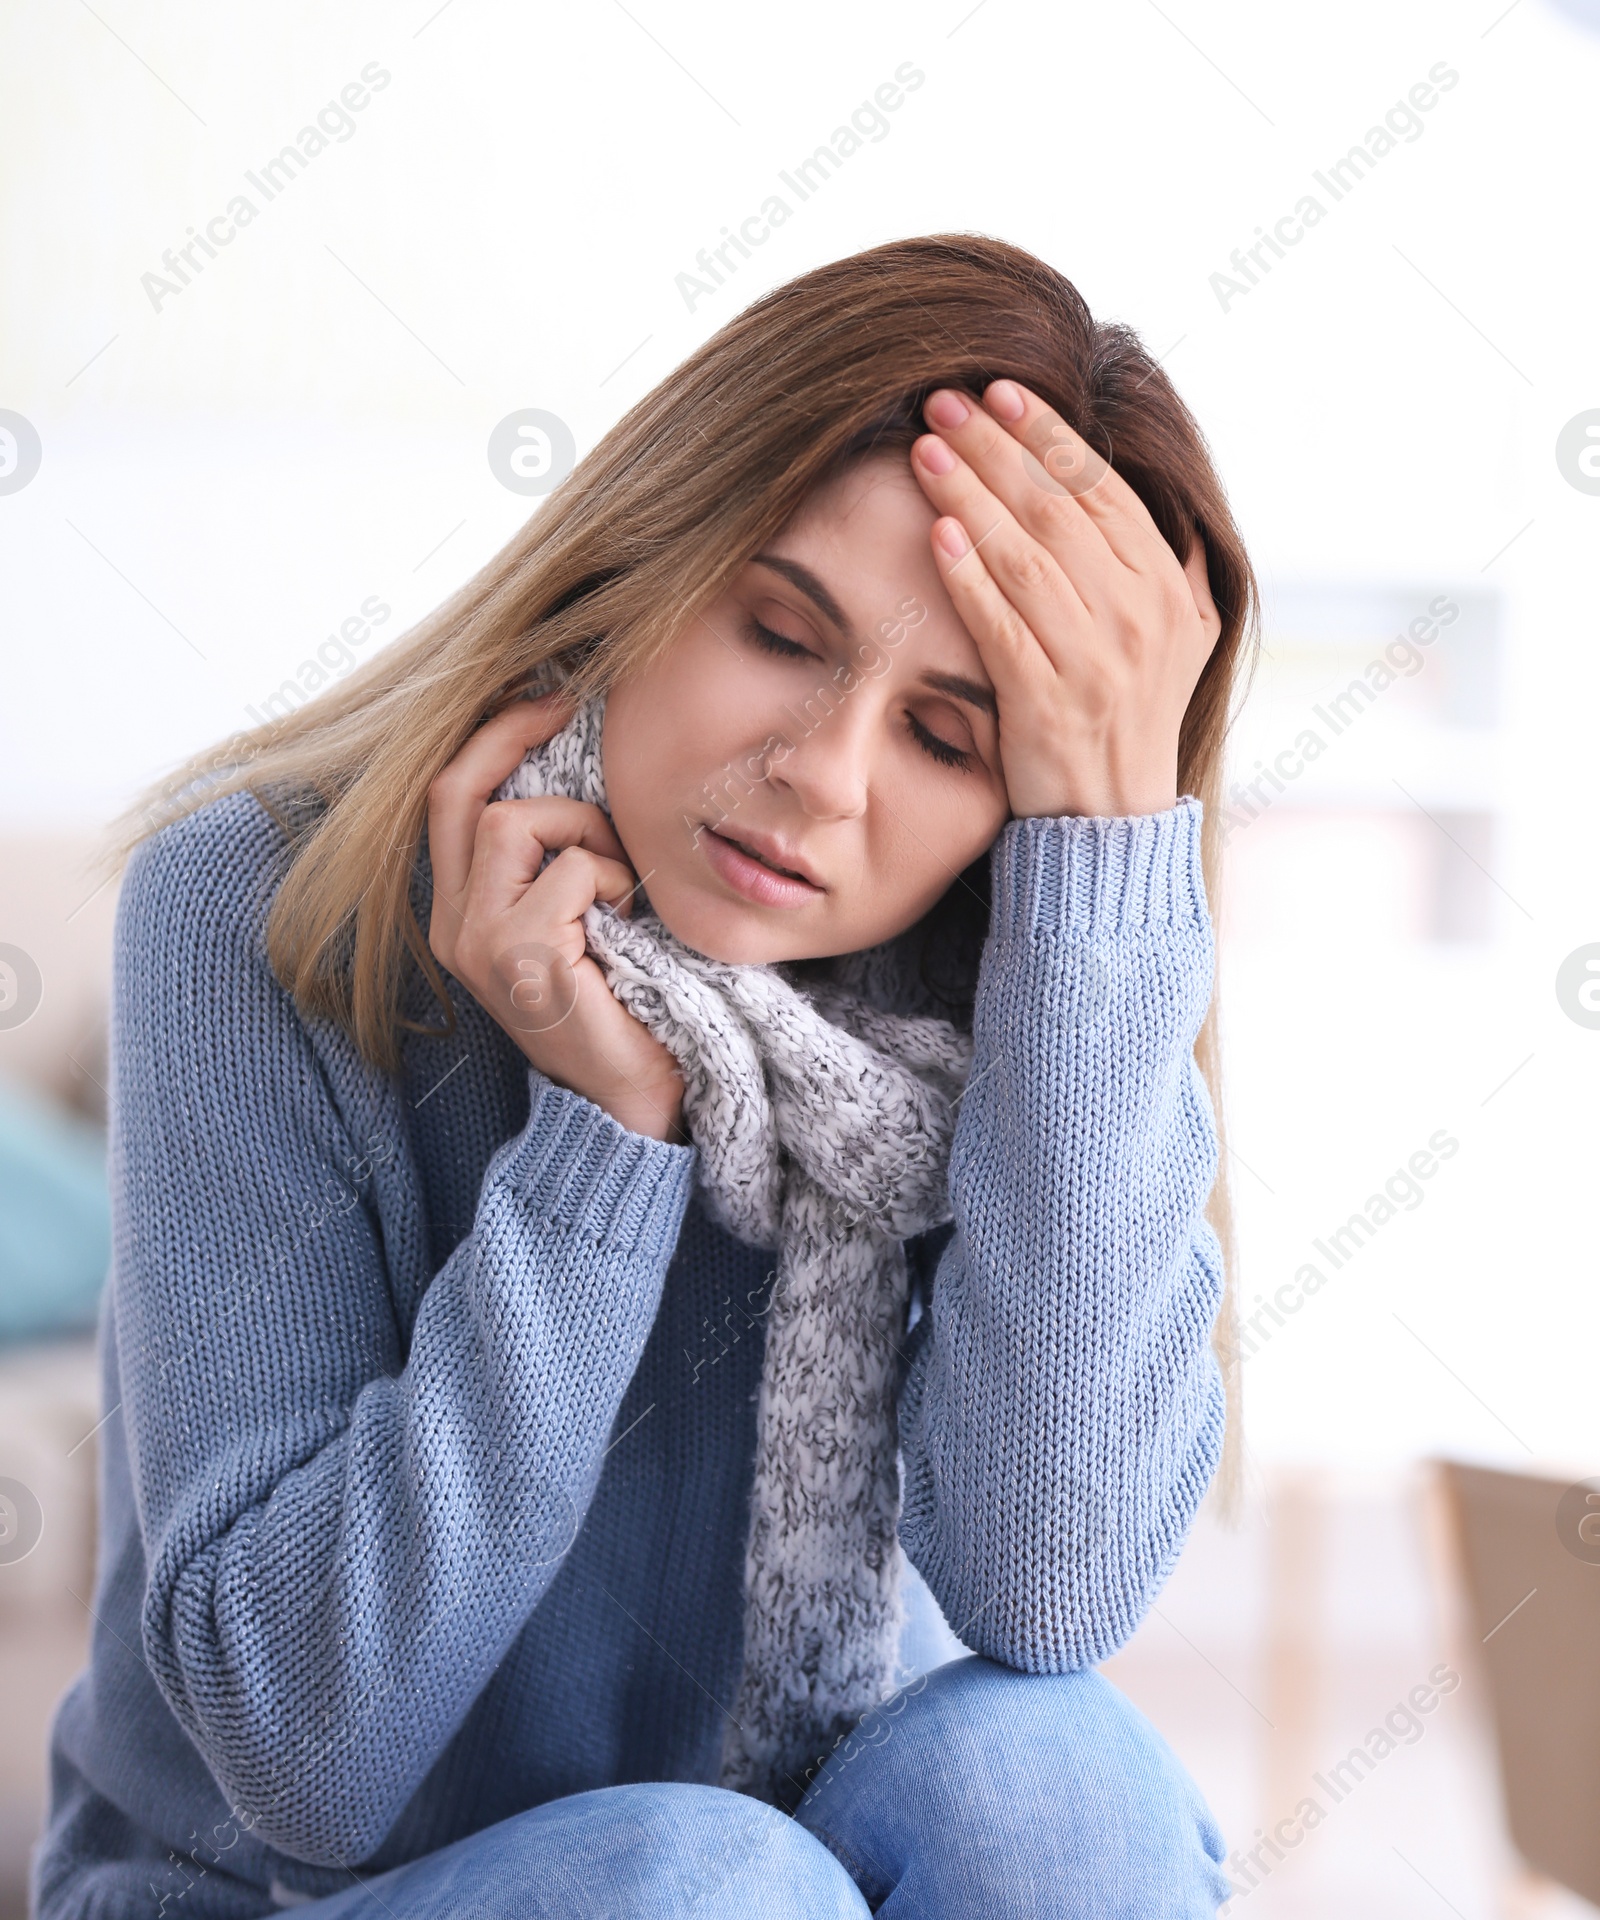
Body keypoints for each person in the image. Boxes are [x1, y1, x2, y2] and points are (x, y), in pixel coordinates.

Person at [33, 234, 1256, 1919]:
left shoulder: (1012, 995)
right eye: (781, 631)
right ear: (652, 554)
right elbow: (302, 1756)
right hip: (289, 1895)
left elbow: (1046, 1592)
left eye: (948, 736)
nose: (818, 776)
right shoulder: (257, 906)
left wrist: (1111, 885)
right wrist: (604, 1146)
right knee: (707, 1882)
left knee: (1059, 1787)